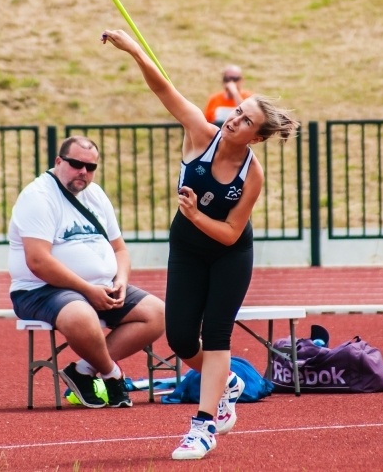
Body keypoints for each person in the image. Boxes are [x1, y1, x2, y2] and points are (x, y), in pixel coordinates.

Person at [102, 29, 299, 460]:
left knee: (216, 335)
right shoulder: (199, 132)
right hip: (188, 248)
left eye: (246, 120)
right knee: (179, 337)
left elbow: (230, 232)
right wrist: (134, 49)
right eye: (237, 111)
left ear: (258, 137)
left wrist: (194, 214)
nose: (235, 119)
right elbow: (163, 88)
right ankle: (224, 381)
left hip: (230, 253)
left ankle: (204, 425)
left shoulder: (253, 174)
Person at [7, 136, 165, 408]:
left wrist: (121, 282)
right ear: (59, 161)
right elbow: (38, 261)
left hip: (100, 287)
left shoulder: (96, 194)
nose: (83, 172)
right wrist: (87, 290)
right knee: (82, 315)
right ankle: (112, 374)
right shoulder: (38, 197)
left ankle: (82, 372)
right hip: (40, 290)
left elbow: (120, 251)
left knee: (158, 314)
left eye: (90, 167)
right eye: (76, 164)